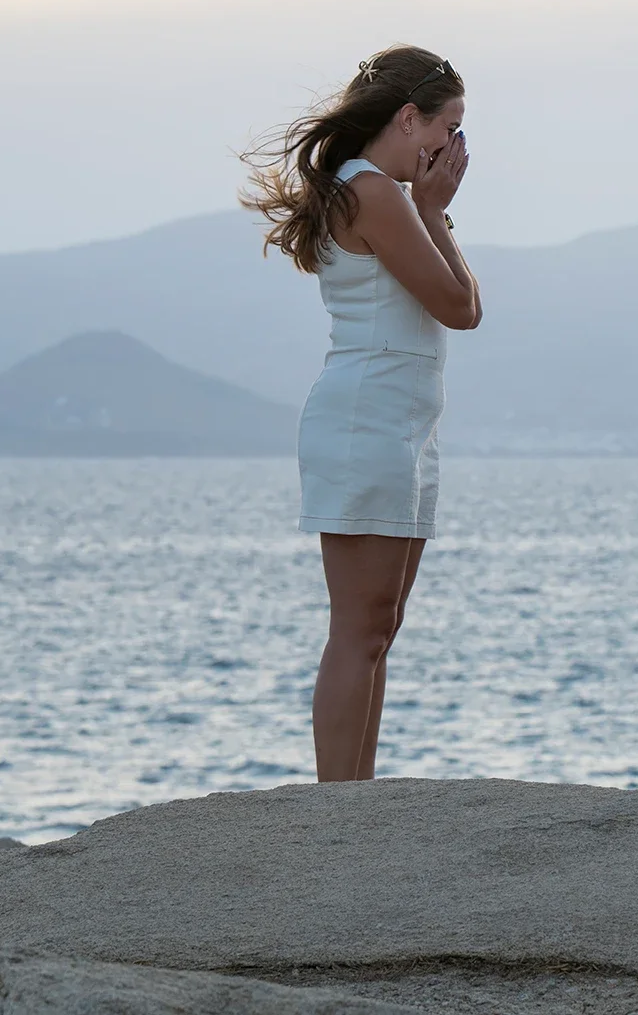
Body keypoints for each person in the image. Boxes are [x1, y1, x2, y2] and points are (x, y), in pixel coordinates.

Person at [242, 46, 482, 782]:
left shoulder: (376, 190)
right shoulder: (376, 193)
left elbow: (461, 306)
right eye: (450, 127)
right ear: (410, 119)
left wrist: (431, 213)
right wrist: (433, 212)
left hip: (401, 425)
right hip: (365, 423)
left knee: (380, 627)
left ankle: (356, 800)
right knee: (359, 628)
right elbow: (458, 307)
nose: (454, 147)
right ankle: (335, 805)